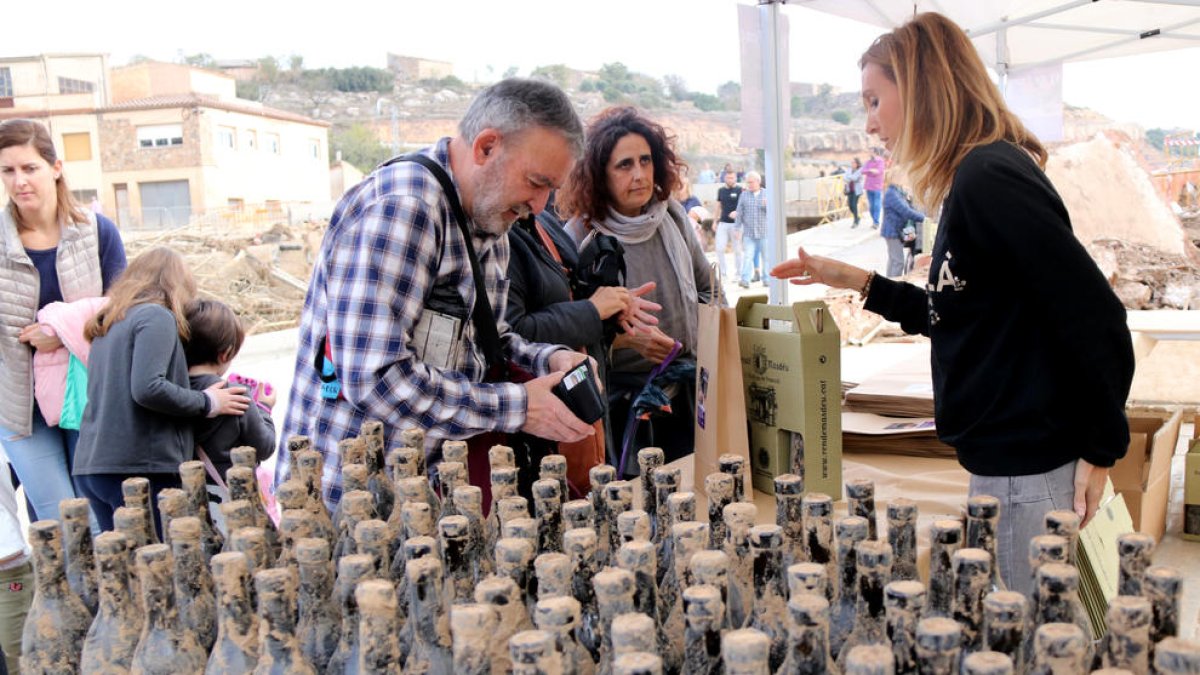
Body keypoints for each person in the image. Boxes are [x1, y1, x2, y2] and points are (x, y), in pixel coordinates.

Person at [771, 11, 1134, 598]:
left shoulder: (990, 179)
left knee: (1028, 633)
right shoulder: (976, 178)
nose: (870, 123)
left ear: (920, 90)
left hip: (1028, 467)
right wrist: (856, 279)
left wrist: (1102, 447)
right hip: (1009, 465)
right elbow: (957, 316)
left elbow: (1096, 317)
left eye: (874, 101)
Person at [281, 78, 594, 508]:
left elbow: (488, 342)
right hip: (353, 503)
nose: (539, 206)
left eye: (549, 190)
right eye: (536, 182)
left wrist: (550, 359)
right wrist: (519, 407)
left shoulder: (489, 218)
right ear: (486, 147)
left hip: (424, 492)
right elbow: (375, 378)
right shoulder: (404, 207)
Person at [558, 106, 714, 472]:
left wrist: (691, 345)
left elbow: (709, 293)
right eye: (624, 165)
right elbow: (564, 337)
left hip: (688, 395)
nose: (640, 174)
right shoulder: (580, 238)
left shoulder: (672, 217)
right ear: (599, 174)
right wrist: (626, 342)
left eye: (645, 160)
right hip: (621, 410)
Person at [0, 119, 127, 525]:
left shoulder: (97, 232)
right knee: (59, 519)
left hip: (87, 395)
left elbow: (125, 307)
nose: (19, 181)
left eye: (29, 168)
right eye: (7, 170)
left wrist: (61, 330)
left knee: (99, 515)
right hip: (19, 407)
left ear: (56, 168)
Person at [73, 247, 251, 532]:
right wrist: (208, 402)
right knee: (159, 557)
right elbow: (148, 388)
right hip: (138, 468)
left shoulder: (110, 323)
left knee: (121, 557)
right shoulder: (156, 316)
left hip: (93, 467)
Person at [505, 201, 659, 494]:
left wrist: (614, 309)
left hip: (583, 390)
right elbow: (512, 334)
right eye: (537, 182)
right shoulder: (501, 233)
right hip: (541, 417)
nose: (540, 196)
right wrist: (593, 310)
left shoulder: (541, 220)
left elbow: (572, 297)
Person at [184, 299, 277, 486]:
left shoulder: (174, 393)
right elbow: (264, 447)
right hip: (232, 489)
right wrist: (264, 408)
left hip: (190, 488)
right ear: (225, 354)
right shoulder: (235, 394)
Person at [881, 172, 925, 278]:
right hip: (892, 231)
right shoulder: (891, 193)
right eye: (901, 176)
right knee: (898, 262)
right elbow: (905, 211)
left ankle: (889, 282)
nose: (904, 178)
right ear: (894, 178)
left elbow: (909, 208)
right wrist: (924, 218)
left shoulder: (898, 191)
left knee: (893, 260)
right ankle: (893, 284)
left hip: (894, 230)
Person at [735, 171, 768, 287]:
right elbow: (739, 213)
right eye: (747, 182)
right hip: (749, 233)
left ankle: (767, 279)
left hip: (764, 232)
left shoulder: (767, 194)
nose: (749, 185)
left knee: (766, 257)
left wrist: (767, 206)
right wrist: (737, 228)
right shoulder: (744, 195)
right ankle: (745, 280)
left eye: (751, 182)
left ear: (758, 182)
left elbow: (774, 213)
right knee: (748, 256)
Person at [712, 170, 744, 282]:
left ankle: (738, 273)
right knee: (719, 248)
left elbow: (744, 206)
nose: (730, 180)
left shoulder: (740, 190)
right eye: (728, 178)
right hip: (723, 223)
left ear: (735, 178)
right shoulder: (721, 191)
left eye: (732, 178)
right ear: (725, 178)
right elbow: (718, 206)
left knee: (737, 249)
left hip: (736, 224)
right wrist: (714, 221)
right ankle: (723, 274)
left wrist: (738, 215)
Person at [863, 147, 886, 227]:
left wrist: (869, 171)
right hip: (868, 186)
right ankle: (874, 221)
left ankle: (876, 222)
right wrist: (871, 170)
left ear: (875, 152)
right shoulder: (868, 162)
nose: (869, 153)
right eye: (869, 152)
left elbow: (879, 171)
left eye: (871, 152)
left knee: (876, 205)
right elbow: (863, 171)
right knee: (871, 206)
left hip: (877, 186)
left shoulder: (880, 161)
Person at [844, 157, 865, 227]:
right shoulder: (849, 169)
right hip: (849, 189)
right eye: (851, 162)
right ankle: (857, 217)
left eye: (853, 162)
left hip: (857, 190)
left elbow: (855, 178)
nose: (852, 164)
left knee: (854, 204)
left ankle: (855, 221)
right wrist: (851, 177)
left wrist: (849, 177)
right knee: (850, 206)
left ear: (857, 163)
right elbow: (845, 178)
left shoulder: (860, 170)